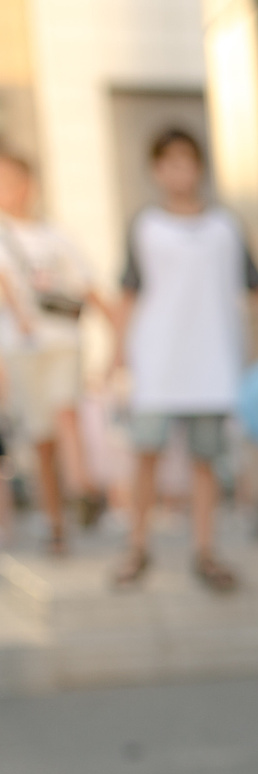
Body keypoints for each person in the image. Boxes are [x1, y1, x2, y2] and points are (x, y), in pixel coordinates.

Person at [110, 128, 258, 593]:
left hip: (213, 361)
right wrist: (116, 349)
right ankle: (137, 547)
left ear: (199, 166)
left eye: (187, 160)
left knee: (206, 460)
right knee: (146, 453)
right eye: (169, 162)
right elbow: (128, 293)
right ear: (156, 170)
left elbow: (257, 285)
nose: (179, 171)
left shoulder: (226, 227)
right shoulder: (145, 226)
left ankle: (205, 551)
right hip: (158, 361)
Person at [0, 151, 109, 554]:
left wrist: (117, 330)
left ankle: (83, 488)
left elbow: (88, 284)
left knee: (67, 411)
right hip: (22, 349)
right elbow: (5, 282)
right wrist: (20, 317)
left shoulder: (56, 235)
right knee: (42, 441)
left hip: (63, 341)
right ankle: (56, 523)